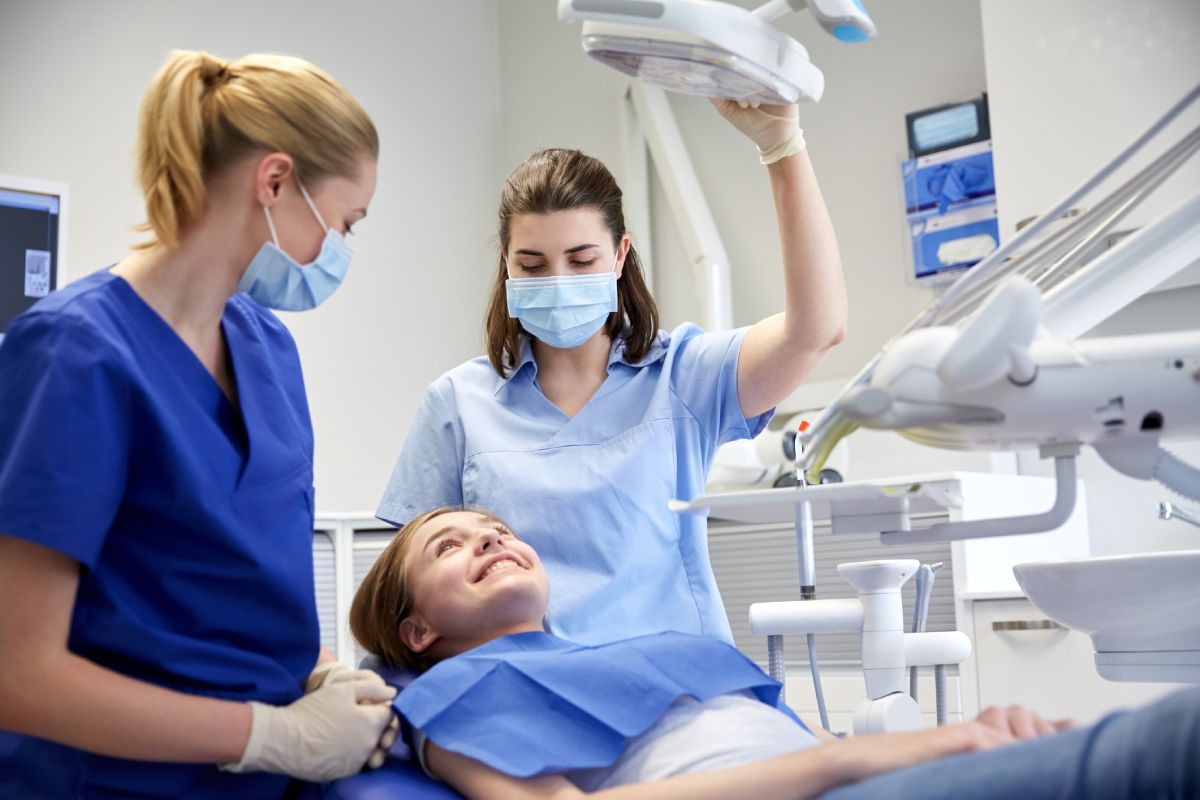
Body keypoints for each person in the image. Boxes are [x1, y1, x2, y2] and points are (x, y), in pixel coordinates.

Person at [0, 50, 397, 798]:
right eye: (345, 223)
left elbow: (235, 584)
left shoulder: (268, 346)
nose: (339, 251)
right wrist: (272, 736)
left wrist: (316, 674)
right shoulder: (76, 354)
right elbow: (18, 674)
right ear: (275, 181)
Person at [378, 100, 847, 646]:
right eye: (532, 265)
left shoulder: (681, 376)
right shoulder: (457, 403)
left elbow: (816, 330)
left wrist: (782, 147)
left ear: (620, 256)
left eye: (582, 261)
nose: (557, 280)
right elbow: (405, 593)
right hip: (526, 692)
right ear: (505, 261)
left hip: (678, 688)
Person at [350, 506, 1199, 800]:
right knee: (1161, 752)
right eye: (451, 547)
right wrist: (882, 758)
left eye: (497, 529)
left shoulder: (656, 648)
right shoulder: (452, 694)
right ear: (416, 631)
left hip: (859, 779)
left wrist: (964, 736)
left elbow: (816, 746)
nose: (490, 540)